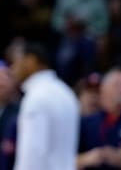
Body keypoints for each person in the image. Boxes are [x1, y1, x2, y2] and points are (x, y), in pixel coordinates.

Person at [11, 41, 80, 170]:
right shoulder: (66, 92)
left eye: (16, 62)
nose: (12, 68)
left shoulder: (36, 97)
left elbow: (32, 153)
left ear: (31, 61)